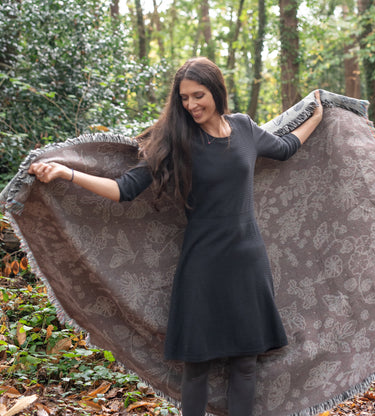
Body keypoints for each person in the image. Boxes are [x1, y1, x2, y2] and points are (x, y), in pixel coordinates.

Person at [29, 57, 323, 416]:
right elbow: (125, 189)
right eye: (184, 98)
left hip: (248, 261)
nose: (191, 105)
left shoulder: (245, 128)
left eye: (198, 95)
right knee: (197, 365)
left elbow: (286, 147)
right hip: (202, 266)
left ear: (217, 90)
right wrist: (67, 173)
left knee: (245, 363)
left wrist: (318, 115)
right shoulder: (177, 140)